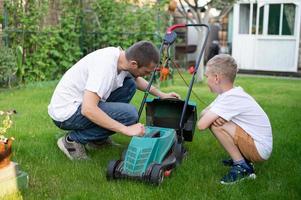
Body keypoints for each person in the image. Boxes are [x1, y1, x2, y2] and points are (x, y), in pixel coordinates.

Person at [48, 41, 180, 160]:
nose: (147, 75)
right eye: (146, 71)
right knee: (129, 115)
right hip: (66, 113)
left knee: (130, 85)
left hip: (80, 104)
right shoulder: (105, 68)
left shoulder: (122, 59)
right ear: (134, 64)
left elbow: (136, 79)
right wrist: (125, 129)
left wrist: (161, 94)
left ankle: (97, 140)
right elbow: (88, 109)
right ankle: (72, 141)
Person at [197, 54, 272, 184]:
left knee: (216, 124)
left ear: (216, 78)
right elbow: (203, 113)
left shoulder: (230, 98)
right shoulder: (229, 94)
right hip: (256, 143)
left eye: (207, 76)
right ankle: (242, 158)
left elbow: (201, 125)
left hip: (259, 149)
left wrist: (216, 118)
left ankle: (242, 166)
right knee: (216, 120)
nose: (206, 80)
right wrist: (214, 115)